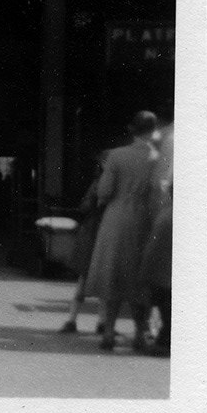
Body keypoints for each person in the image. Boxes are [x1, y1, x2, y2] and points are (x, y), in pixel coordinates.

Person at [85, 111, 163, 352]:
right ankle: (140, 333)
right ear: (154, 130)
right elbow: (159, 195)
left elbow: (104, 191)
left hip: (116, 219)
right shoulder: (157, 158)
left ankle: (108, 332)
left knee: (113, 275)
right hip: (145, 221)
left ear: (131, 129)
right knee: (140, 278)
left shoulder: (117, 156)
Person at [59, 152, 109, 334]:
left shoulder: (98, 183)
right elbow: (85, 206)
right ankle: (99, 322)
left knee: (87, 278)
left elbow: (84, 207)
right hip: (97, 231)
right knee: (95, 278)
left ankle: (76, 320)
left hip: (94, 231)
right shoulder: (100, 185)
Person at [139, 122, 173, 356]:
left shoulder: (169, 136)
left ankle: (164, 335)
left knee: (160, 282)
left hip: (169, 216)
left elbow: (163, 184)